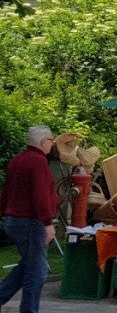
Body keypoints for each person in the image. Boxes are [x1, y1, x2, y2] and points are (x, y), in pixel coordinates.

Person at [0, 126, 57, 313]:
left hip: (15, 219)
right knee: (37, 272)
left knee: (29, 265)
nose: (52, 144)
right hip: (30, 222)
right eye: (51, 140)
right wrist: (48, 223)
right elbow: (39, 195)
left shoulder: (17, 160)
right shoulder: (38, 162)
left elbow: (7, 191)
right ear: (43, 142)